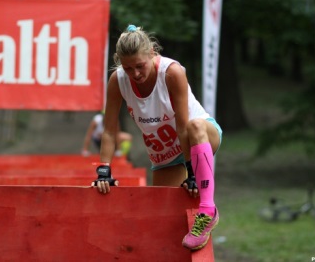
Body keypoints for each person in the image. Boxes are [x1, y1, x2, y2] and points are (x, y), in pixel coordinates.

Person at [92, 24, 223, 251]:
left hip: (197, 138)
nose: (135, 74)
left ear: (152, 53)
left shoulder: (172, 73)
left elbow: (182, 128)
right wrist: (104, 169)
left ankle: (208, 210)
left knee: (193, 126)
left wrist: (191, 172)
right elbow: (110, 131)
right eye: (128, 68)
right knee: (164, 227)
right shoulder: (118, 80)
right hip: (164, 156)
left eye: (140, 66)